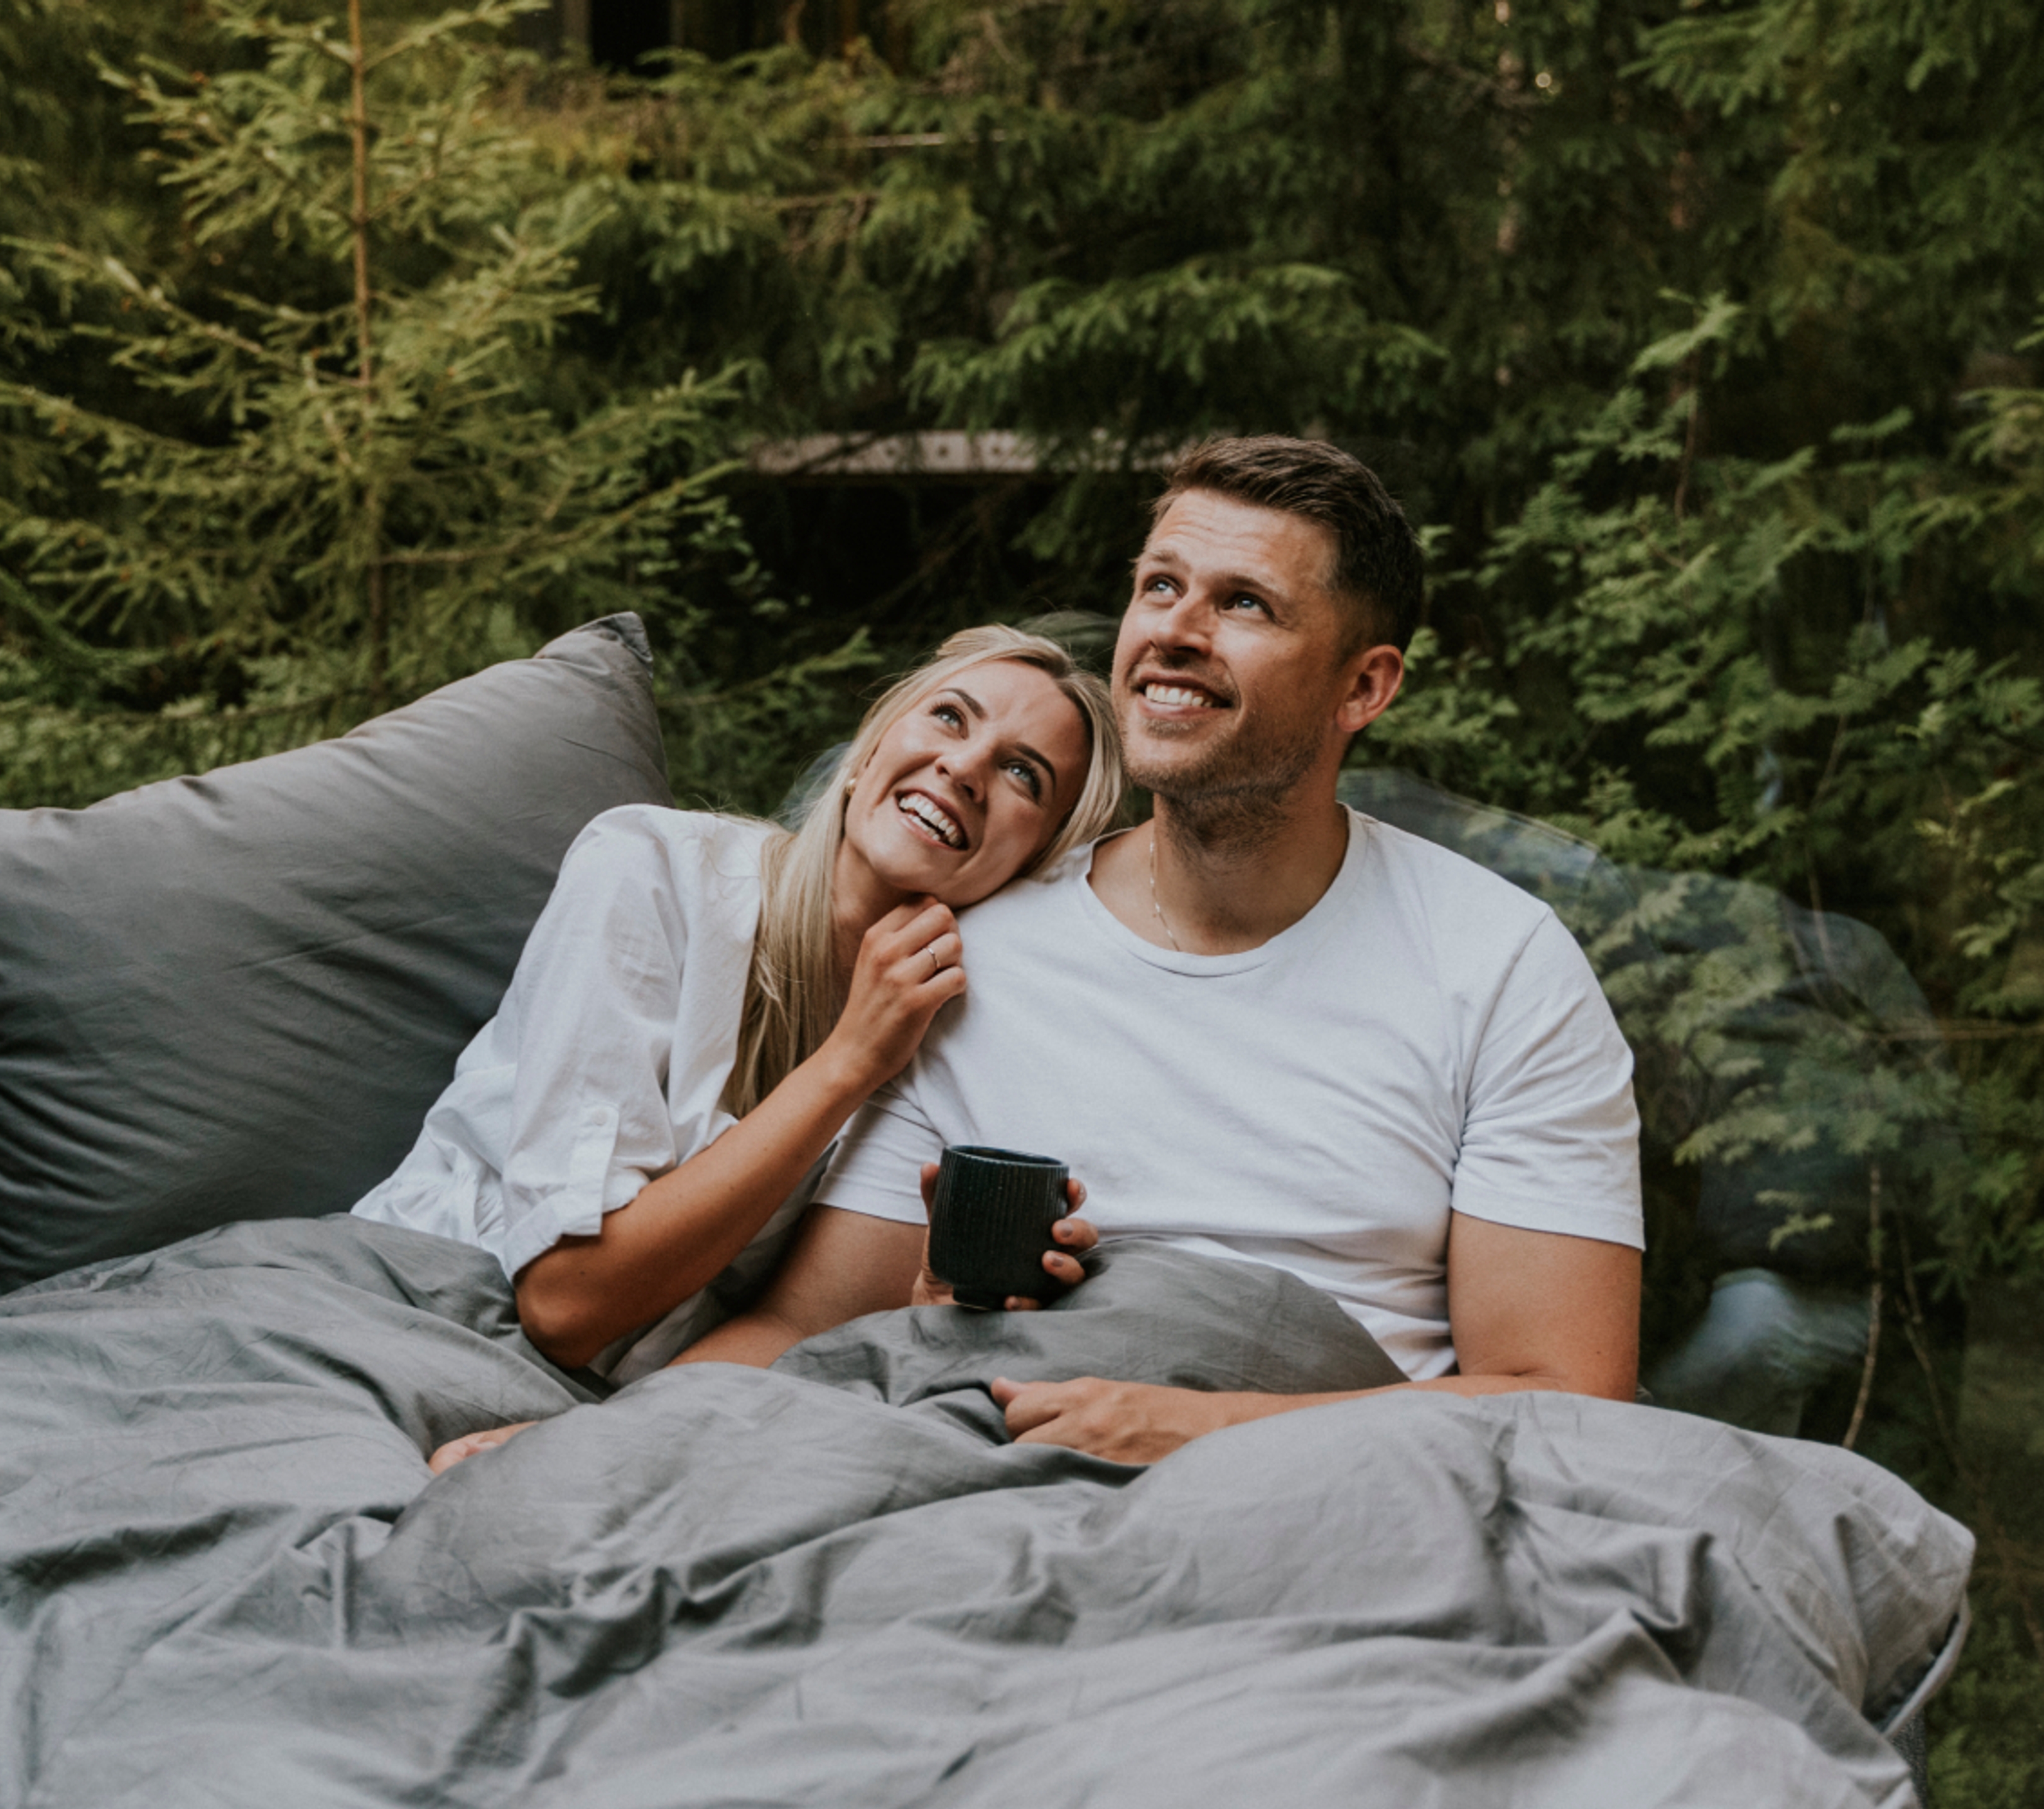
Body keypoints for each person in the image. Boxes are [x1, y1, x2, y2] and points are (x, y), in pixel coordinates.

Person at [434, 435, 1643, 1475]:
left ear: (1363, 686)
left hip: (1350, 1481)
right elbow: (811, 1327)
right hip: (1003, 1463)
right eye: (1160, 586)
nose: (1175, 631)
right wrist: (602, 1453)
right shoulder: (976, 960)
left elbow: (1564, 1397)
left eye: (1243, 604)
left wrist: (1212, 1432)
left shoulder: (1498, 965)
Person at [354, 624, 1125, 1383]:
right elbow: (565, 1305)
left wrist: (919, 1308)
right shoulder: (651, 871)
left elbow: (792, 1325)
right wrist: (848, 1063)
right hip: (419, 1299)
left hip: (633, 1398)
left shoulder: (957, 1039)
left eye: (1024, 774)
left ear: (1035, 865)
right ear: (868, 753)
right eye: (950, 717)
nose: (963, 766)